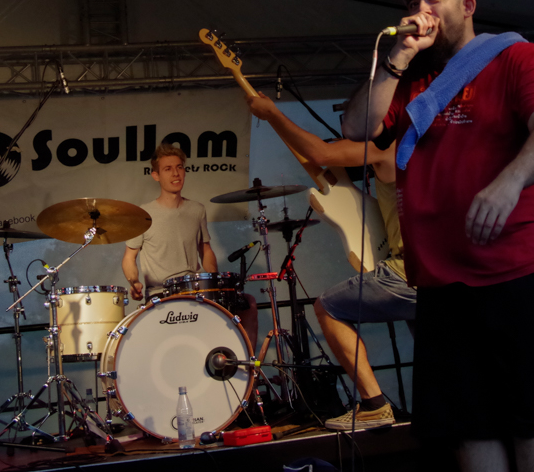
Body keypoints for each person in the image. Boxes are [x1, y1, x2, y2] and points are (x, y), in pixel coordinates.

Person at [342, 0, 534, 471]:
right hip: (438, 282)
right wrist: (398, 57)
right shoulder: (409, 77)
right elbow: (357, 128)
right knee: (468, 429)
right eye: (412, 2)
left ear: (467, 7)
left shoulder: (514, 56)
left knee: (529, 420)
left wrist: (510, 180)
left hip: (507, 270)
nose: (420, 10)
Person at [246, 93, 414, 430]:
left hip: (407, 272)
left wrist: (273, 114)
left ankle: (374, 404)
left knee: (327, 306)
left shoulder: (385, 147)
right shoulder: (427, 143)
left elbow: (320, 153)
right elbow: (329, 157)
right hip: (443, 271)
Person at [122, 143, 258, 350]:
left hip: (194, 290)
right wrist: (134, 282)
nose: (176, 174)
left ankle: (243, 364)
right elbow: (129, 258)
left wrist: (214, 283)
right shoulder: (143, 215)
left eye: (179, 167)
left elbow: (205, 250)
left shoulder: (197, 210)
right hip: (161, 293)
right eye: (168, 169)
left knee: (248, 303)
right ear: (156, 175)